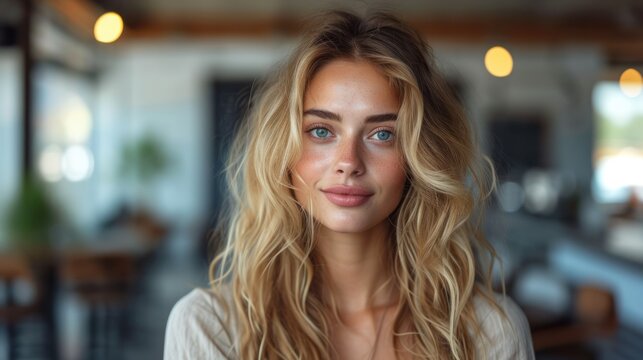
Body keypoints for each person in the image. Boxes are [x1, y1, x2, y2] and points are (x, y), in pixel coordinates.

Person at [164, 10, 534, 360]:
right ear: (283, 149)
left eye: (382, 134)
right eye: (321, 131)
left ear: (420, 157)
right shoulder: (211, 327)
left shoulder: (487, 332)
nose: (348, 162)